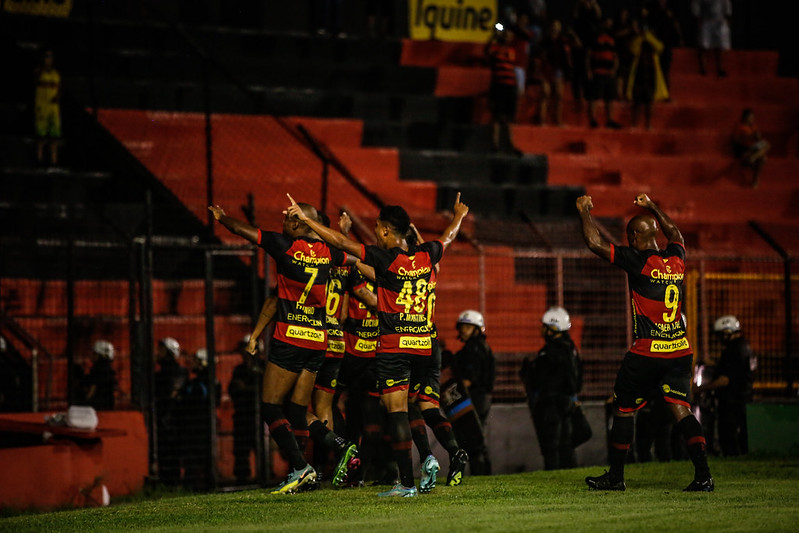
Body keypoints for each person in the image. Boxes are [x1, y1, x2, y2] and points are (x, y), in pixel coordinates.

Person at [285, 193, 469, 498]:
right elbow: (447, 238)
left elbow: (344, 247)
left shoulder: (385, 258)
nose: (376, 232)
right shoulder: (426, 255)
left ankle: (406, 483)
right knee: (416, 407)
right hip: (424, 346)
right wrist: (459, 215)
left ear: (385, 230)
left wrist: (306, 221)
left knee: (394, 410)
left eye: (378, 228)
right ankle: (427, 459)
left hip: (394, 346)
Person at [209, 200, 354, 494]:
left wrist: (223, 218)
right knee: (297, 410)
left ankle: (301, 468)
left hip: (291, 337)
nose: (283, 220)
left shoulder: (285, 245)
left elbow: (246, 231)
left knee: (269, 406)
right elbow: (354, 258)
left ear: (301, 224)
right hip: (319, 340)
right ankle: (336, 449)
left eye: (289, 218)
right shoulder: (329, 253)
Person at [576, 192, 714, 492]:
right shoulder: (677, 258)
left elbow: (594, 243)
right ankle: (703, 475)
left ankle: (615, 477)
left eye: (630, 236)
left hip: (647, 351)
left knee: (624, 409)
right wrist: (653, 206)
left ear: (636, 236)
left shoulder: (637, 261)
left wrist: (584, 212)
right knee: (681, 409)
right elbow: (675, 233)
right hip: (679, 350)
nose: (628, 241)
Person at [520, 307, 582, 470]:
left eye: (545, 326)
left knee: (551, 446)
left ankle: (553, 474)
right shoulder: (571, 348)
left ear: (552, 328)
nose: (542, 329)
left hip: (551, 404)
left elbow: (540, 379)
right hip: (567, 401)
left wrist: (529, 370)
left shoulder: (550, 352)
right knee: (566, 445)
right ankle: (569, 474)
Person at [695, 315, 755, 457]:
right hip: (744, 397)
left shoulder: (733, 349)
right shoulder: (744, 346)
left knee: (729, 434)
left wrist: (700, 389)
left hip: (732, 399)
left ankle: (733, 457)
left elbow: (725, 379)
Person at [450, 309, 495, 474]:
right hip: (481, 398)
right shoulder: (480, 347)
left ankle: (480, 473)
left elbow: (469, 379)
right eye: (462, 326)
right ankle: (484, 473)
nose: (463, 330)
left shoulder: (473, 349)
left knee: (473, 439)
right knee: (477, 439)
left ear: (477, 329)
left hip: (475, 398)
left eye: (468, 327)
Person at [229, 335, 263, 484]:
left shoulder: (264, 367)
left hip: (261, 415)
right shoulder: (239, 369)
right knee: (240, 449)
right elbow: (233, 389)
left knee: (261, 446)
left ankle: (265, 476)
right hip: (243, 414)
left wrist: (246, 388)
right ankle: (242, 479)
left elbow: (266, 389)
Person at [154, 337, 188, 485]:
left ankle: (171, 482)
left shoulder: (177, 372)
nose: (158, 353)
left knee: (171, 451)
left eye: (161, 350)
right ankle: (168, 481)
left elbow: (171, 393)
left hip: (172, 417)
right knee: (166, 451)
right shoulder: (162, 372)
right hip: (168, 416)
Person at [626, 16, 669, 130]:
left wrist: (648, 36)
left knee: (649, 104)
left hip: (650, 77)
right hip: (639, 77)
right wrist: (641, 37)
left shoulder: (652, 42)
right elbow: (633, 49)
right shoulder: (637, 41)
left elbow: (660, 47)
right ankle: (634, 124)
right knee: (637, 103)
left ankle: (648, 124)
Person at [485, 24, 523, 155]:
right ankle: (494, 145)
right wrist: (494, 36)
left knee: (508, 118)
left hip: (509, 86)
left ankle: (510, 145)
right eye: (506, 34)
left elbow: (513, 69)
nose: (508, 36)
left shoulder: (512, 50)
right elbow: (487, 52)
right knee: (496, 116)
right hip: (498, 85)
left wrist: (516, 86)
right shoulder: (495, 48)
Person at [586, 17, 621, 129]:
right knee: (594, 97)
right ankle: (593, 120)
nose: (608, 26)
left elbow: (615, 56)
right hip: (597, 71)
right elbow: (588, 55)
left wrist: (614, 70)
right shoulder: (595, 38)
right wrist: (589, 71)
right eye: (606, 24)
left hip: (609, 73)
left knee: (609, 98)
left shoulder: (612, 38)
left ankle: (610, 120)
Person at [34, 49, 62, 168]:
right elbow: (34, 79)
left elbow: (60, 89)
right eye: (46, 57)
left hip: (53, 109)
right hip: (42, 108)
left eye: (50, 57)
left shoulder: (56, 74)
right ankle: (39, 161)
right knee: (41, 137)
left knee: (54, 137)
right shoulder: (38, 72)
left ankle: (54, 162)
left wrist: (57, 97)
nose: (48, 59)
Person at [732, 108, 770, 189]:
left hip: (752, 147)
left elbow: (759, 140)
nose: (751, 119)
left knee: (766, 145)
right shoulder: (739, 126)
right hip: (742, 147)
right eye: (750, 118)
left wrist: (757, 136)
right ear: (744, 117)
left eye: (753, 118)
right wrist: (749, 137)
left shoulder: (753, 126)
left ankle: (754, 157)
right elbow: (736, 140)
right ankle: (755, 179)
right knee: (763, 159)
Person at [691, 0, 731, 77]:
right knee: (703, 45)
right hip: (706, 20)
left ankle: (720, 67)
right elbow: (696, 6)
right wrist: (698, 18)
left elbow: (727, 5)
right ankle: (703, 68)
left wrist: (727, 16)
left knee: (720, 45)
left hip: (720, 21)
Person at [84, 340, 117, 411]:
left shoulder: (97, 370)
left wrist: (85, 402)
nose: (92, 356)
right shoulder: (110, 370)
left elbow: (92, 391)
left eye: (94, 353)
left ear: (100, 355)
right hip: (109, 406)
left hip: (97, 408)